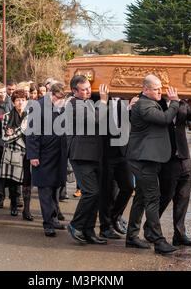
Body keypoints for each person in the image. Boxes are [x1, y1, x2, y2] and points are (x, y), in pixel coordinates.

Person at [125, 75, 179, 254]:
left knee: (141, 197)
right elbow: (164, 119)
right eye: (156, 89)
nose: (160, 92)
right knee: (152, 198)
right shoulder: (143, 104)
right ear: (145, 89)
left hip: (148, 158)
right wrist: (175, 103)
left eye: (160, 88)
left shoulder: (148, 102)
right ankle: (158, 241)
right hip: (143, 159)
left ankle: (132, 237)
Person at [143, 97, 191, 247]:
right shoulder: (157, 103)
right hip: (166, 157)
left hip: (183, 154)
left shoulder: (182, 102)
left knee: (183, 197)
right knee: (165, 196)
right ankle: (150, 228)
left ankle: (180, 234)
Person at [65, 75, 109, 245]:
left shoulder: (88, 102)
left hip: (94, 153)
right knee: (91, 192)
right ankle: (75, 224)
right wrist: (104, 101)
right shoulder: (73, 104)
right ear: (74, 91)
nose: (88, 91)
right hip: (81, 154)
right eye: (83, 89)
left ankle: (89, 231)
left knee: (96, 194)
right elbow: (94, 120)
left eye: (89, 87)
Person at [26, 82, 68, 236]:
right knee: (45, 189)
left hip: (59, 153)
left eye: (63, 98)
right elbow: (31, 132)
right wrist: (33, 155)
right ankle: (48, 223)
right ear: (51, 94)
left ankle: (54, 218)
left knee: (56, 187)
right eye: (58, 98)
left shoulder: (62, 106)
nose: (61, 101)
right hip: (43, 154)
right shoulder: (38, 106)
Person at [98, 96, 134, 240]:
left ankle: (114, 217)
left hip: (123, 151)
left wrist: (132, 108)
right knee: (107, 192)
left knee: (128, 187)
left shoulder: (129, 100)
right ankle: (105, 227)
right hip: (105, 152)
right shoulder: (99, 98)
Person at [0, 89, 34, 221]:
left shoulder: (31, 116)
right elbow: (5, 138)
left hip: (28, 152)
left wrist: (13, 132)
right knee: (14, 183)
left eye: (23, 100)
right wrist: (21, 129)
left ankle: (27, 209)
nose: (21, 103)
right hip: (13, 153)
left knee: (27, 182)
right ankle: (13, 205)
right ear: (13, 102)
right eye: (18, 100)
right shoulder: (7, 116)